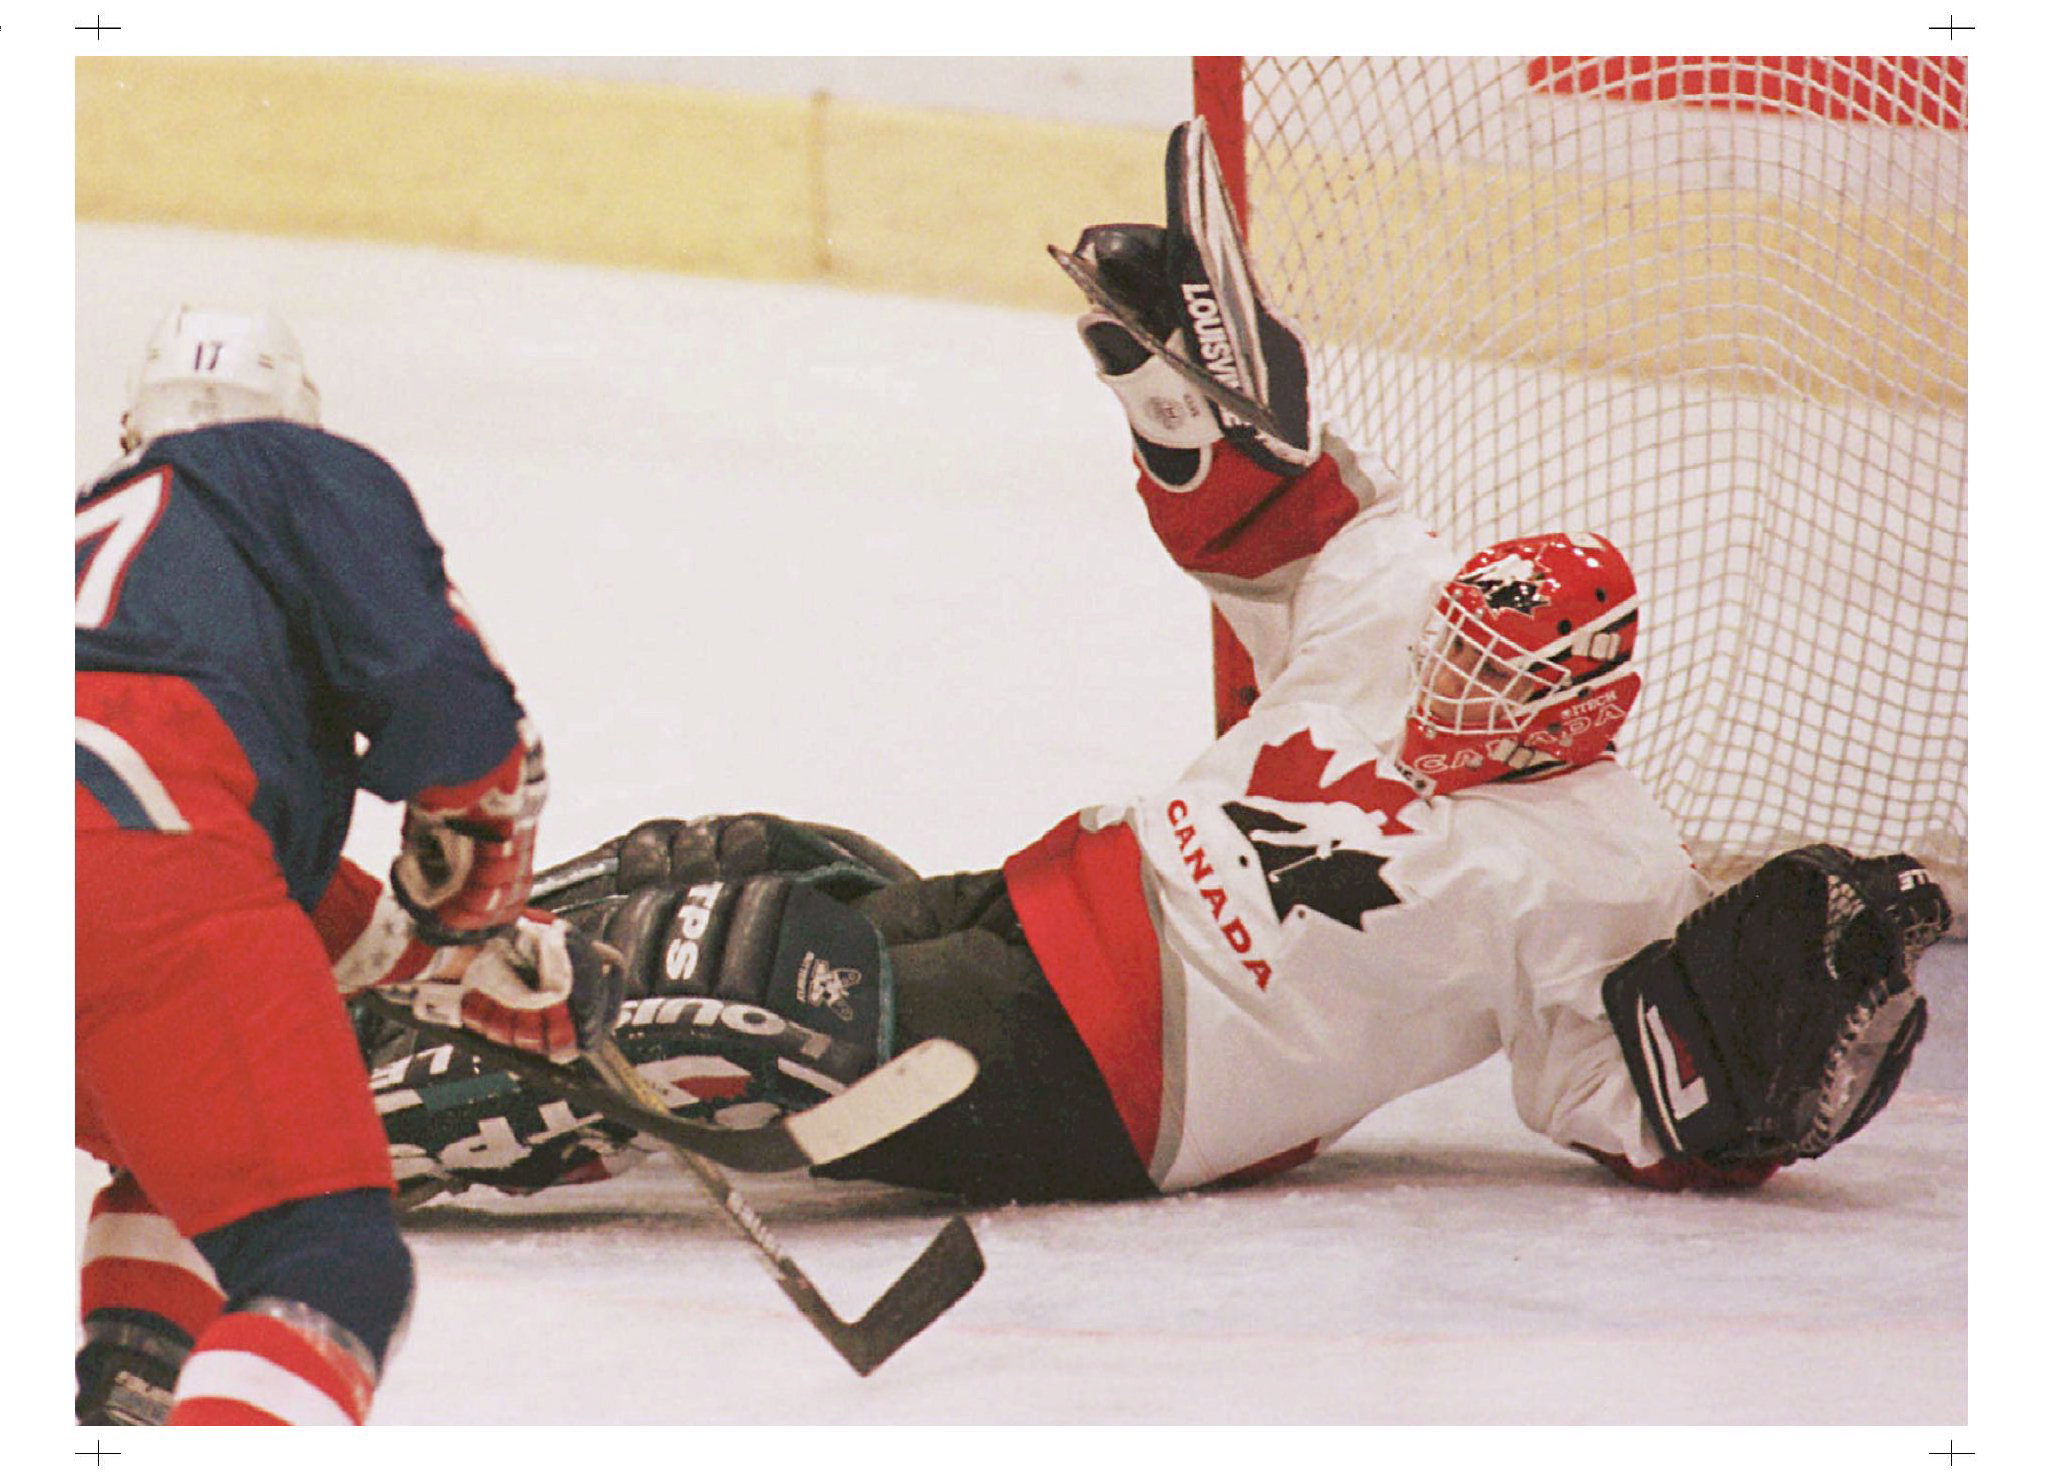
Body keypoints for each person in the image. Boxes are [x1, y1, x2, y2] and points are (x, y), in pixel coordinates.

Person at [361, 122, 1949, 1215]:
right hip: (1063, 901)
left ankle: (348, 1137)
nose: (1446, 685)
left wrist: (1757, 1091)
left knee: (754, 971)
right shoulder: (1398, 618)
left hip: (1133, 1078)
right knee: (738, 866)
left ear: (1580, 708)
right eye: (1453, 646)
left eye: (1491, 677)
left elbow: (1615, 1092)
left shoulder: (1604, 869)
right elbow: (1277, 523)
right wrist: (1167, 396)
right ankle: (384, 984)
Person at [75, 307, 620, 1425]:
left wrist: (435, 967)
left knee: (177, 1138)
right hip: (124, 859)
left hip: (116, 856)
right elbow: (462, 724)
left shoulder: (89, 538)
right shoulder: (286, 474)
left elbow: (205, 840)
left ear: (132, 426)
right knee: (328, 1267)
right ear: (299, 424)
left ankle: (125, 1416)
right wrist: (476, 906)